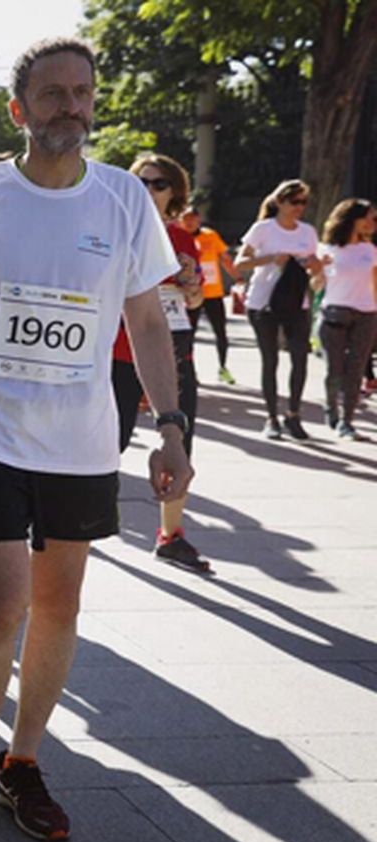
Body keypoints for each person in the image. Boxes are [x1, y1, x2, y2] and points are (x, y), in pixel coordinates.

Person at [0, 37, 191, 842]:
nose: (71, 105)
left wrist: (170, 426)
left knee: (60, 604)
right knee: (3, 603)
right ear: (21, 110)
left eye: (83, 92)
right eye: (54, 94)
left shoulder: (125, 199)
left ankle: (24, 762)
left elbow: (146, 319)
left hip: (82, 443)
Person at [113, 153, 209, 573]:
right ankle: (68, 522)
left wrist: (189, 282)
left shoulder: (184, 239)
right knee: (108, 441)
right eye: (142, 182)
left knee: (179, 441)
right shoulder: (117, 230)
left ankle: (171, 534)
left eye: (158, 184)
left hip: (174, 355)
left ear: (175, 192)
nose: (149, 190)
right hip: (118, 352)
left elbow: (195, 300)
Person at [235, 179, 325, 440]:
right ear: (280, 202)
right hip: (263, 302)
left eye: (303, 202)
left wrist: (315, 264)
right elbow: (241, 263)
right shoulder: (264, 229)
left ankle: (293, 414)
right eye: (295, 202)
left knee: (300, 358)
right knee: (270, 359)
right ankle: (271, 416)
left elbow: (315, 269)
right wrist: (271, 259)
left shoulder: (307, 232)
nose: (300, 207)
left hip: (297, 302)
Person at [316, 198, 377, 439]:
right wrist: (318, 269)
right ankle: (331, 407)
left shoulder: (371, 251)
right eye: (370, 218)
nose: (373, 223)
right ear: (354, 220)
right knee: (335, 369)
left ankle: (347, 421)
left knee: (356, 369)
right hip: (334, 312)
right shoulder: (327, 250)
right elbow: (316, 285)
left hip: (366, 314)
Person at [179, 206, 239, 383]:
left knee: (220, 331)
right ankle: (190, 371)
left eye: (192, 218)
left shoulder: (210, 236)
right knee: (189, 333)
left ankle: (223, 367)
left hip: (213, 293)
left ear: (198, 219)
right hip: (191, 293)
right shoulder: (179, 237)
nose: (189, 222)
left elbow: (225, 258)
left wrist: (238, 277)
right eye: (186, 218)